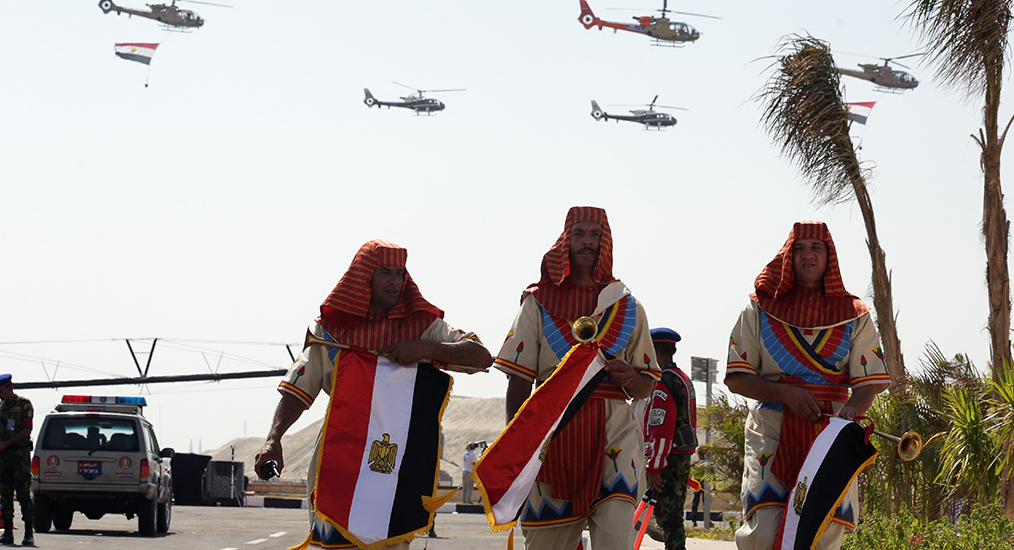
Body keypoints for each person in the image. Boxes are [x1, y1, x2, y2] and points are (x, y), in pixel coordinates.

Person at [255, 240, 493, 550]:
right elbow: (298, 390)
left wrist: (424, 348)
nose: (395, 281)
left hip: (401, 457)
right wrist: (273, 439)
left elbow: (481, 357)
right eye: (385, 273)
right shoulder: (329, 329)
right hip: (339, 451)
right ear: (363, 276)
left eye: (400, 273)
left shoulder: (423, 326)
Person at [495, 206, 660, 550]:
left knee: (616, 537)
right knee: (547, 543)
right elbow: (519, 380)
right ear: (565, 240)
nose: (587, 242)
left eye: (595, 235)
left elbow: (646, 383)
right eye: (580, 234)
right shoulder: (537, 302)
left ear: (605, 242)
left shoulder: (627, 306)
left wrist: (630, 377)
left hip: (614, 431)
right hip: (553, 432)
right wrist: (519, 444)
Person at [724, 222, 890, 550]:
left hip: (830, 435)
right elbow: (736, 376)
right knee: (764, 525)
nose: (807, 255)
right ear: (787, 257)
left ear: (830, 256)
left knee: (824, 530)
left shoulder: (855, 315)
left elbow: (868, 383)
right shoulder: (758, 308)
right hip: (771, 428)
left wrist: (852, 410)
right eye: (799, 248)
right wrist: (785, 393)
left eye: (816, 247)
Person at [642, 327, 698, 550]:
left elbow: (661, 427)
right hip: (681, 457)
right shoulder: (682, 377)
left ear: (654, 350)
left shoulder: (663, 381)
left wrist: (654, 467)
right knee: (674, 517)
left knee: (669, 520)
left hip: (667, 460)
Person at [0, 374, 35, 546]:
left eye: (0, 390)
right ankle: (7, 532)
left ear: (9, 388)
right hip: (3, 457)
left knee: (23, 495)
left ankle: (28, 533)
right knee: (5, 495)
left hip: (19, 456)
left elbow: (26, 430)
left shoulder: (24, 404)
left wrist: (6, 444)